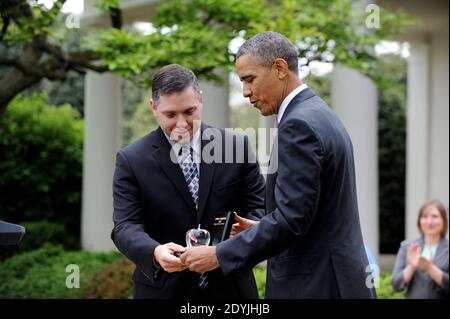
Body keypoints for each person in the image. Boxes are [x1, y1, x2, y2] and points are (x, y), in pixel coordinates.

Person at [180, 31, 376, 299]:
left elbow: (292, 221)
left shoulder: (298, 125)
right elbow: (309, 213)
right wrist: (260, 227)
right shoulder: (318, 112)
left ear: (280, 68)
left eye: (250, 79)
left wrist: (219, 254)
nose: (246, 92)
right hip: (335, 281)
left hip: (316, 286)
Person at [111, 64, 266, 299]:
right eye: (171, 115)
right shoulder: (131, 160)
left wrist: (226, 252)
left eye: (189, 111)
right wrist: (154, 251)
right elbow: (125, 226)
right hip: (163, 290)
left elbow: (260, 211)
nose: (182, 124)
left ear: (201, 100)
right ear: (154, 107)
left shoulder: (236, 147)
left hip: (232, 291)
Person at [391, 199, 449, 298]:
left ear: (443, 220)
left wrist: (430, 268)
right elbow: (396, 285)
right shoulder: (407, 247)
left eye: (434, 216)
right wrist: (412, 266)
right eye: (425, 217)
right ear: (419, 221)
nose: (429, 221)